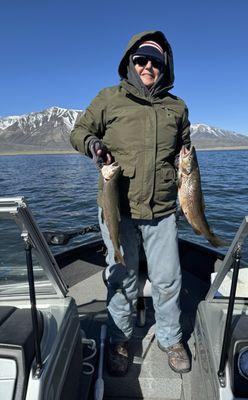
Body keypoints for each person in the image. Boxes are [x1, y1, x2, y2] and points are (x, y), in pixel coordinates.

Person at [70, 30, 191, 376]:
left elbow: (185, 152)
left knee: (169, 279)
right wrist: (92, 144)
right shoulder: (109, 98)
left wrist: (187, 194)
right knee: (120, 276)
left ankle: (171, 338)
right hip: (118, 209)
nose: (148, 66)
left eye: (156, 61)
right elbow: (77, 131)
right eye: (142, 60)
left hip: (163, 209)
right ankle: (122, 339)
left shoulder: (177, 107)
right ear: (130, 63)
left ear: (165, 67)